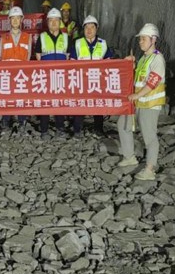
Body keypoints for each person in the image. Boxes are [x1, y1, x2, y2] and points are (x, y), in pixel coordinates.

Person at [117, 23, 166, 181]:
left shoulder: (157, 59)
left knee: (149, 136)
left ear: (153, 39)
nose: (140, 42)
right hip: (138, 102)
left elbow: (152, 83)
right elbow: (138, 78)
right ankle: (129, 157)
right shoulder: (144, 58)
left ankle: (149, 169)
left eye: (143, 39)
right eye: (140, 39)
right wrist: (131, 65)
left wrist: (137, 95)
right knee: (123, 124)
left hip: (149, 105)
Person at [70, 15, 114, 137]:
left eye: (92, 27)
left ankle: (98, 129)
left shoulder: (103, 44)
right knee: (80, 104)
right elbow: (72, 62)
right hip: (82, 80)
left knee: (98, 104)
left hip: (97, 80)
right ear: (83, 29)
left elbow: (109, 62)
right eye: (86, 27)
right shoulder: (77, 43)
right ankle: (77, 129)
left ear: (97, 29)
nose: (89, 30)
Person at [36, 8, 70, 138]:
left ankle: (60, 128)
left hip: (61, 76)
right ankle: (44, 129)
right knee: (45, 103)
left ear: (60, 22)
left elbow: (68, 57)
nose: (54, 23)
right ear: (47, 22)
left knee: (59, 102)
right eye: (51, 20)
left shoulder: (66, 38)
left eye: (56, 20)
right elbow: (38, 56)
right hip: (46, 76)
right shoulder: (42, 37)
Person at [0, 6, 32, 135]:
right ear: (9, 20)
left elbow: (28, 56)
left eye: (18, 18)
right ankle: (5, 122)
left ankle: (22, 122)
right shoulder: (3, 37)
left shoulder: (27, 37)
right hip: (7, 74)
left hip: (21, 74)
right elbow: (1, 56)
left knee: (21, 98)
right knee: (7, 98)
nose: (15, 21)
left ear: (21, 20)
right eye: (13, 18)